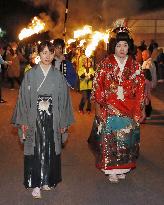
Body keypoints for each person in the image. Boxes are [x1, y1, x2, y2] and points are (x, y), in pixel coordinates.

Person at [11, 41, 74, 198]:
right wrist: (24, 121)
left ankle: (47, 179)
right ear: (39, 54)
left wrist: (63, 122)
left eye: (50, 53)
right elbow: (23, 100)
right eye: (44, 52)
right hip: (35, 117)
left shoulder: (58, 76)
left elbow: (64, 101)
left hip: (53, 117)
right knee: (36, 149)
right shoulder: (31, 74)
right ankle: (36, 183)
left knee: (50, 148)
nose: (47, 56)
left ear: (54, 55)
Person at [89, 28, 145, 183]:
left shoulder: (135, 66)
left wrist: (141, 109)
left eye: (125, 45)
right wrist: (98, 107)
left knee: (127, 139)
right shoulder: (105, 64)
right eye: (119, 45)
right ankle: (111, 170)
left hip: (129, 108)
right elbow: (98, 87)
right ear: (113, 46)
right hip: (110, 108)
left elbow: (141, 89)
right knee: (110, 140)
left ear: (129, 47)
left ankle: (123, 168)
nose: (122, 49)